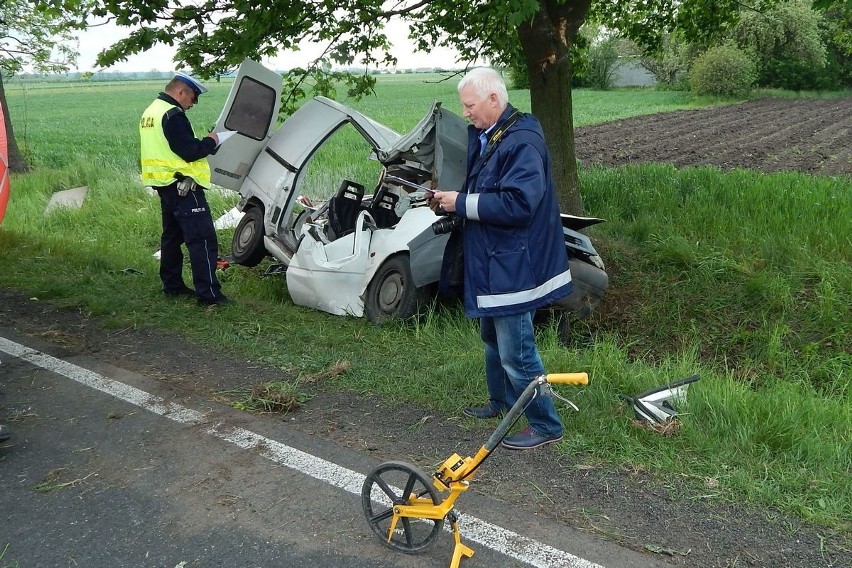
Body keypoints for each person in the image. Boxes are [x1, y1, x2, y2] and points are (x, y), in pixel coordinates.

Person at [429, 67, 573, 450]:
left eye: (470, 105)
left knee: (517, 350)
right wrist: (452, 204)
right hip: (496, 261)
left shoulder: (520, 142)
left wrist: (460, 202)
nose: (466, 113)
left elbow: (518, 204)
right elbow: (486, 191)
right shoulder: (492, 135)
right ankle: (503, 403)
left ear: (494, 99)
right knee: (491, 336)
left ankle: (546, 425)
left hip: (514, 265)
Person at [140, 71, 230, 306]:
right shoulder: (173, 115)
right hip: (183, 187)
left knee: (171, 237)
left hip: (164, 185)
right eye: (193, 98)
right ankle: (210, 296)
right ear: (182, 92)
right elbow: (189, 151)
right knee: (201, 240)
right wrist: (212, 141)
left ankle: (172, 287)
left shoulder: (152, 111)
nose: (193, 104)